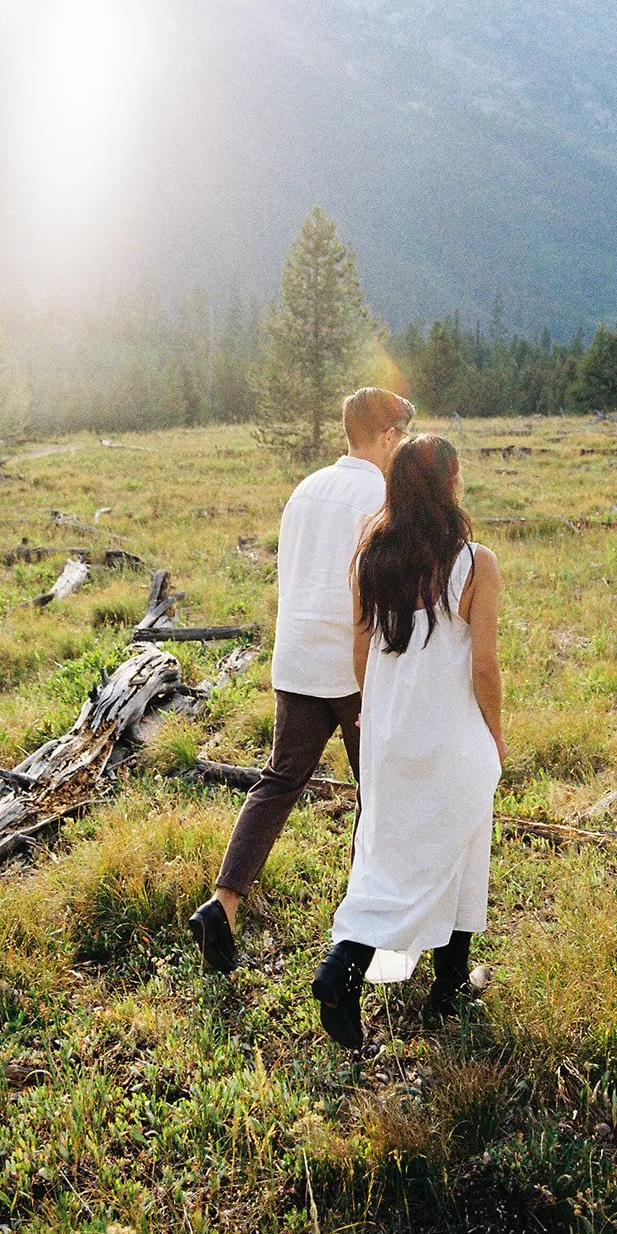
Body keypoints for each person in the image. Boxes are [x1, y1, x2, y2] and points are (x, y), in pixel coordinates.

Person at [189, 386, 415, 972]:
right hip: (355, 663)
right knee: (381, 792)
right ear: (386, 435)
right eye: (403, 436)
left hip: (296, 657)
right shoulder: (385, 494)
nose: (405, 446)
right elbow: (387, 589)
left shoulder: (306, 489)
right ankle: (366, 930)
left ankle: (224, 903)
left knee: (279, 780)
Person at [311, 434, 505, 1049]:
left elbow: (361, 650)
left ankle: (365, 967)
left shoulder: (373, 557)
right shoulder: (474, 562)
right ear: (450, 484)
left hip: (389, 733)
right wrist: (495, 738)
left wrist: (378, 713)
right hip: (450, 730)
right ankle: (432, 981)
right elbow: (485, 668)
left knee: (390, 854)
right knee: (462, 838)